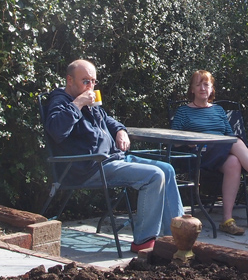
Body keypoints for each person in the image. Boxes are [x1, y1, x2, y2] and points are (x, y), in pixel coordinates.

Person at [44, 59, 183, 254]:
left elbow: (107, 119)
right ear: (69, 80)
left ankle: (176, 237)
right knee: (154, 176)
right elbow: (57, 130)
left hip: (111, 160)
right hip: (89, 167)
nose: (90, 86)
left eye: (93, 81)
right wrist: (78, 104)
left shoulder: (90, 103)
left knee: (167, 169)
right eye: (85, 81)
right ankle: (144, 241)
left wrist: (120, 131)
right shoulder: (61, 101)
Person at [171, 70, 248, 236]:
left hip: (220, 151)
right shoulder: (183, 112)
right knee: (236, 142)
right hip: (200, 154)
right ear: (192, 89)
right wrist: (189, 141)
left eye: (206, 84)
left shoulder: (218, 110)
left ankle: (227, 220)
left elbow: (228, 133)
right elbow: (173, 140)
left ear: (211, 89)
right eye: (198, 84)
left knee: (234, 162)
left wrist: (227, 143)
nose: (202, 88)